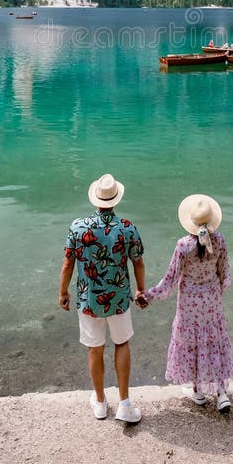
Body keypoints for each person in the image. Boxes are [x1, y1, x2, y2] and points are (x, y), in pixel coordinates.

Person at [59, 173, 146, 423]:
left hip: (88, 301)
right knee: (122, 344)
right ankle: (125, 404)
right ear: (115, 199)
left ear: (95, 199)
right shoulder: (127, 228)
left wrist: (63, 292)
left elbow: (68, 264)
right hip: (118, 299)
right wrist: (140, 290)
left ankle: (99, 402)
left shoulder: (77, 227)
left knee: (95, 349)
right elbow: (137, 261)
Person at [136, 194, 233, 412]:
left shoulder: (183, 245)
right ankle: (221, 393)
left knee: (193, 343)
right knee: (213, 341)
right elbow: (225, 276)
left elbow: (169, 281)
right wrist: (214, 293)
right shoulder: (220, 240)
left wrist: (148, 295)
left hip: (189, 303)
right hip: (211, 300)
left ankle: (198, 392)